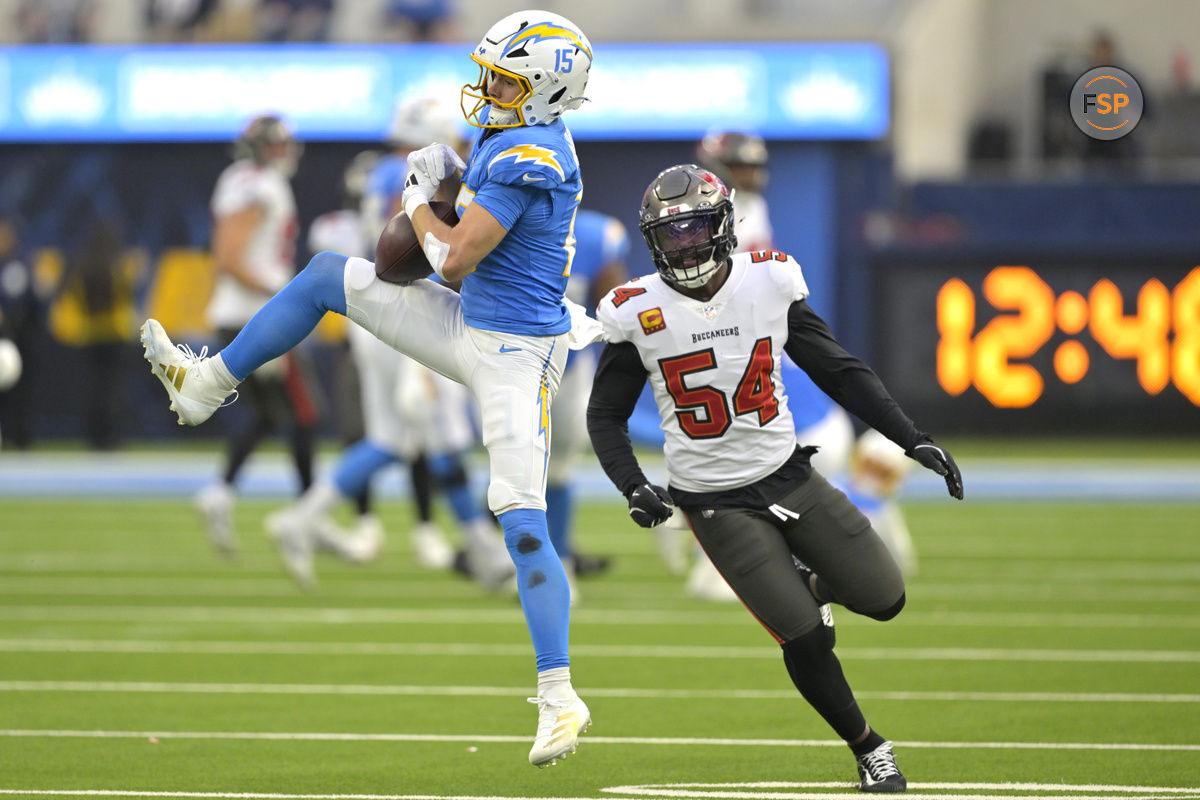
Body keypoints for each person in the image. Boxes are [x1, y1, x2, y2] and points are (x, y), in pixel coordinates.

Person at [140, 9, 594, 768]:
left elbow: (449, 260)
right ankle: (206, 383)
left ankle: (558, 694)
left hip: (519, 353)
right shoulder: (505, 137)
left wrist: (419, 199)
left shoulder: (534, 154)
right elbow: (410, 263)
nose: (488, 89)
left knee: (518, 519)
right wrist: (432, 199)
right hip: (467, 327)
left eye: (508, 79)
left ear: (548, 91)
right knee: (326, 278)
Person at [586, 164, 964, 792]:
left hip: (787, 473)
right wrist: (633, 485)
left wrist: (912, 437)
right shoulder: (636, 310)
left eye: (696, 229)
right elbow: (605, 414)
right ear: (653, 242)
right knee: (807, 639)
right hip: (711, 501)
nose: (684, 245)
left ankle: (808, 582)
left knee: (885, 597)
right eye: (671, 235)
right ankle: (870, 748)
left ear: (724, 225)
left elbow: (839, 371)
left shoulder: (769, 281)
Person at [680, 130, 855, 602]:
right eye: (741, 167)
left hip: (750, 341)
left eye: (754, 167)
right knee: (732, 452)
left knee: (784, 448)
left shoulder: (748, 207)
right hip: (720, 344)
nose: (752, 176)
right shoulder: (706, 213)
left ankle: (732, 551)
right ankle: (724, 555)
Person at [191, 114, 320, 560]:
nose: (287, 151)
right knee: (303, 414)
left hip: (250, 314)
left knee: (268, 417)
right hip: (259, 317)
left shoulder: (247, 180)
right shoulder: (255, 185)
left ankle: (220, 493)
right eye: (280, 144)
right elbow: (227, 256)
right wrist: (285, 296)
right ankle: (309, 518)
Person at [545, 209, 630, 595]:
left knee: (558, 467)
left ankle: (558, 563)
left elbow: (619, 309)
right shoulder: (493, 220)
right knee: (515, 469)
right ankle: (518, 559)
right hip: (506, 361)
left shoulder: (595, 237)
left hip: (568, 366)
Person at [834, 429, 918, 576]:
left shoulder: (885, 513)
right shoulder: (833, 488)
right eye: (869, 466)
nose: (872, 476)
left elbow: (901, 557)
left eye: (881, 472)